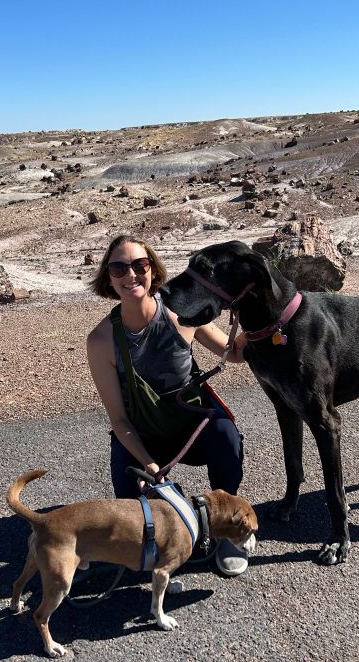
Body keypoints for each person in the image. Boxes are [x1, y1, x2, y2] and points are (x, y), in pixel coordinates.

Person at [86, 234, 250, 576]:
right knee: (132, 502)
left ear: (152, 270)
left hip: (194, 426)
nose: (130, 274)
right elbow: (118, 418)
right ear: (108, 278)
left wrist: (249, 312)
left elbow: (233, 353)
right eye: (119, 267)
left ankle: (226, 533)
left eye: (139, 265)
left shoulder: (181, 312)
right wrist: (148, 463)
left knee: (227, 438)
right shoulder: (101, 341)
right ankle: (166, 533)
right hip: (145, 433)